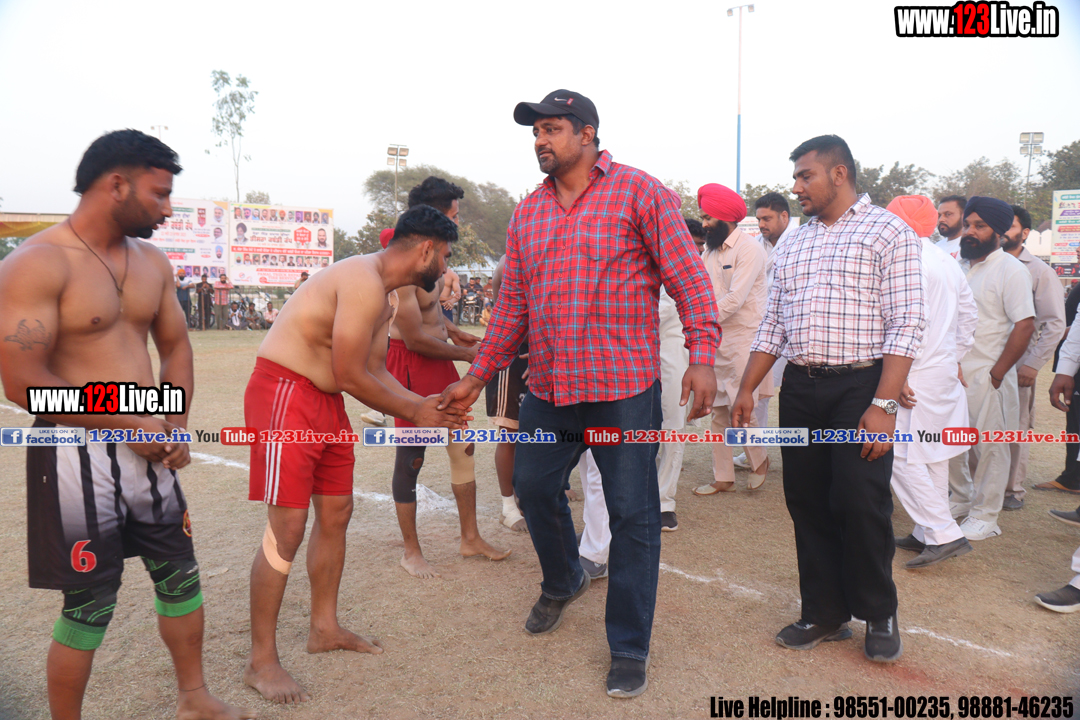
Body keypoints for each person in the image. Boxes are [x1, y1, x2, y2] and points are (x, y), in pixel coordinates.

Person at [439, 89, 719, 697]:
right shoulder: (528, 213)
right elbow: (512, 307)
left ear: (587, 133)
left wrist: (702, 357)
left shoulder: (640, 192)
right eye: (536, 132)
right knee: (535, 489)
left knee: (633, 515)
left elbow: (690, 281)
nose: (541, 140)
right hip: (550, 389)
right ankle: (565, 578)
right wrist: (475, 377)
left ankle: (628, 645)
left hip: (623, 390)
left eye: (553, 129)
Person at [0, 129, 252, 720]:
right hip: (75, 451)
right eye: (159, 194)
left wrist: (174, 419)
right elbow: (23, 383)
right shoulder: (35, 263)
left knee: (179, 575)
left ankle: (193, 698)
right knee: (90, 602)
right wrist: (124, 421)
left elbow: (176, 346)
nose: (168, 209)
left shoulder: (152, 261)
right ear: (116, 185)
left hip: (147, 440)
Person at [242, 205, 470, 704]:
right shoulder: (362, 279)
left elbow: (374, 370)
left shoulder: (383, 295)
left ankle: (324, 628)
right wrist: (415, 410)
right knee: (287, 529)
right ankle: (261, 661)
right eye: (445, 256)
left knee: (337, 513)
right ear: (426, 249)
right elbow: (350, 374)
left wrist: (425, 406)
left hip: (324, 402)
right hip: (285, 394)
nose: (445, 267)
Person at [732, 134, 925, 663]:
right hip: (800, 387)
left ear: (839, 174)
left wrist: (884, 405)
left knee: (860, 500)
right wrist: (747, 387)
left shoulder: (887, 231)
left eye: (805, 176)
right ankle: (824, 612)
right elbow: (773, 323)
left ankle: (878, 611)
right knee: (807, 500)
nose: (797, 188)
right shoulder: (792, 243)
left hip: (860, 389)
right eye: (796, 177)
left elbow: (907, 323)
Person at [386, 176, 509, 579]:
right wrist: (468, 354)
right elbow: (413, 337)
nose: (458, 222)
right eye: (454, 215)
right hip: (409, 363)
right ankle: (411, 552)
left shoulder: (437, 256)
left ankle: (470, 538)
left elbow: (432, 313)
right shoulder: (404, 262)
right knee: (412, 458)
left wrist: (454, 332)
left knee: (463, 446)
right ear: (434, 215)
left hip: (439, 360)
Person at [884, 196, 978, 569]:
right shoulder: (945, 259)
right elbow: (969, 315)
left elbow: (909, 322)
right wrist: (954, 357)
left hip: (914, 371)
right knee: (933, 454)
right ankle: (926, 532)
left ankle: (942, 533)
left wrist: (900, 373)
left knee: (896, 453)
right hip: (941, 370)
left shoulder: (907, 260)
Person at [948, 197, 1036, 540]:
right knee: (954, 443)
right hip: (954, 374)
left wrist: (997, 373)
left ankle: (986, 515)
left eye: (979, 226)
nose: (970, 231)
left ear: (998, 232)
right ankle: (962, 498)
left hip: (989, 374)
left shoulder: (1011, 269)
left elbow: (1024, 325)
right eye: (968, 224)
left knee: (991, 447)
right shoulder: (958, 266)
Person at [693, 183, 771, 495]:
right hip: (717, 339)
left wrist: (700, 320)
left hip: (743, 341)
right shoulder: (709, 251)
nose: (704, 224)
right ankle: (723, 477)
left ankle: (759, 461)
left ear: (725, 218)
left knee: (741, 408)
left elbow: (736, 299)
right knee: (718, 411)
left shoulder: (749, 249)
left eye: (708, 217)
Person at [1001, 205, 1065, 510]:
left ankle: (1011, 490)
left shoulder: (1039, 271)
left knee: (1015, 427)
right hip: (983, 362)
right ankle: (977, 486)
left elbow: (1054, 323)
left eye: (1010, 226)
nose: (1003, 231)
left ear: (1025, 233)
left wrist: (1033, 364)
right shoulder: (983, 263)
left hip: (1019, 366)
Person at [485, 255, 530, 532]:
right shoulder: (508, 263)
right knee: (510, 432)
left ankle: (527, 496)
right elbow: (508, 316)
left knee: (537, 430)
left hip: (540, 350)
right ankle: (508, 507)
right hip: (511, 353)